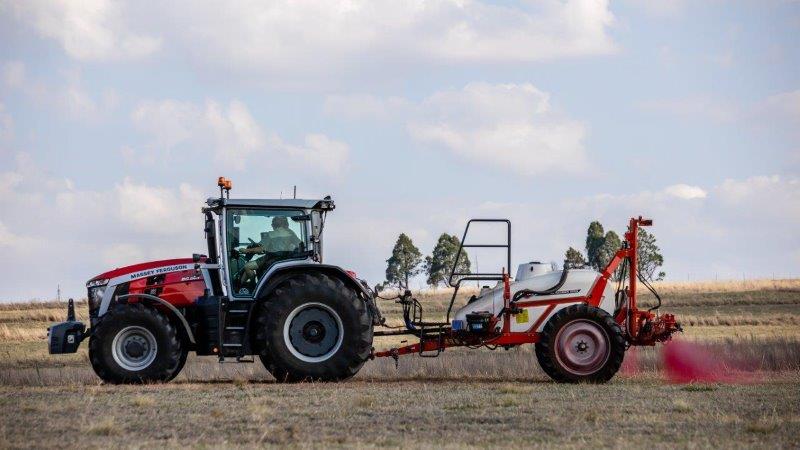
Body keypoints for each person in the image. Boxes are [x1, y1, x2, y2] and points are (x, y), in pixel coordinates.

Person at [239, 216, 302, 284]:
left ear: (273, 225)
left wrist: (246, 251)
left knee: (247, 266)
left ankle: (253, 285)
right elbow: (299, 244)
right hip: (285, 259)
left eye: (272, 224)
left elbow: (260, 249)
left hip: (271, 259)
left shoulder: (271, 234)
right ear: (285, 224)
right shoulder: (291, 233)